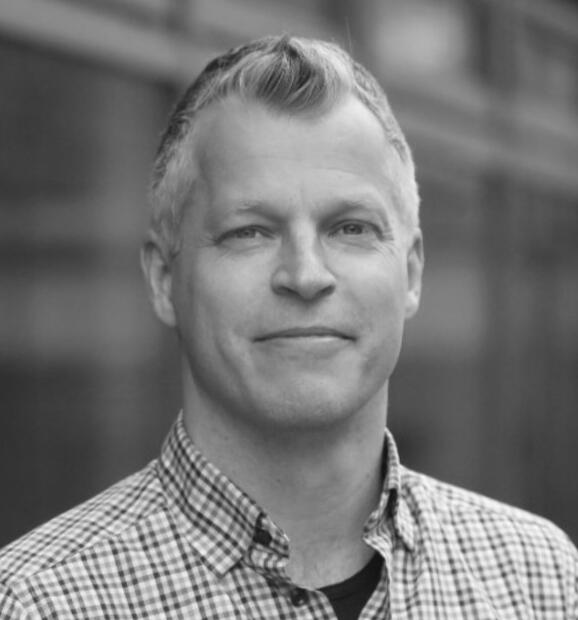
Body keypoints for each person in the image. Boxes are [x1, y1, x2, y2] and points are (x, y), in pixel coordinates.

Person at [0, 35, 576, 620]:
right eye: (249, 232)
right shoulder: (39, 604)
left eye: (351, 228)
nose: (305, 275)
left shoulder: (542, 581)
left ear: (411, 273)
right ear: (163, 279)